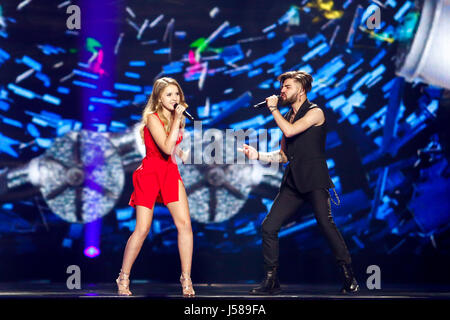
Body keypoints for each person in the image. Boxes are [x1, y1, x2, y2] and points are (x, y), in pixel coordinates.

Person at [240, 70, 359, 295]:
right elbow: (283, 155)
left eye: (288, 87)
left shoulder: (315, 113)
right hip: (293, 181)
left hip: (314, 178)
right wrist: (258, 156)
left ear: (301, 90)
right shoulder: (287, 116)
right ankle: (271, 280)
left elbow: (291, 130)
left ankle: (349, 276)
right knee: (269, 226)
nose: (282, 91)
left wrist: (273, 109)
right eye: (282, 87)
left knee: (326, 224)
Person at [116, 77, 195, 297]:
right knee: (142, 229)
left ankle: (186, 279)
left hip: (170, 173)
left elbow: (171, 149)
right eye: (169, 94)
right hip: (150, 174)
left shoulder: (176, 119)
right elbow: (165, 147)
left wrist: (182, 153)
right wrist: (177, 126)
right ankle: (123, 277)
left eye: (177, 94)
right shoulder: (151, 118)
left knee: (185, 225)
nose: (174, 99)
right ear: (159, 98)